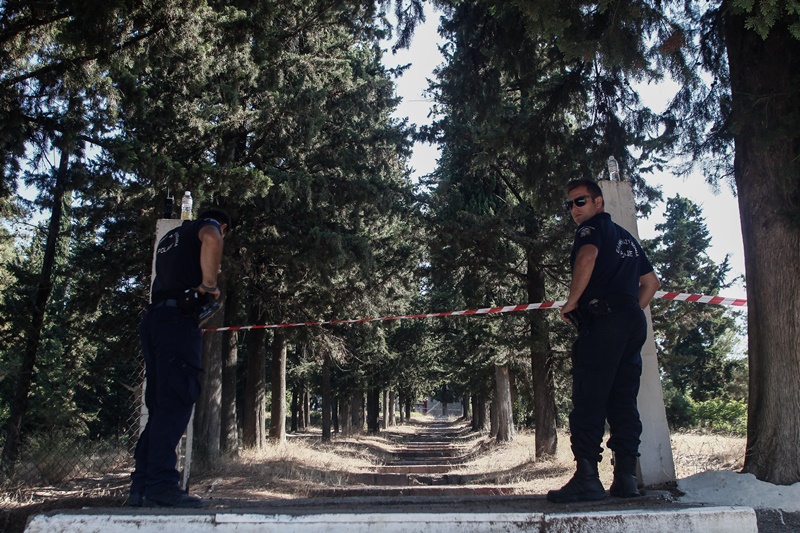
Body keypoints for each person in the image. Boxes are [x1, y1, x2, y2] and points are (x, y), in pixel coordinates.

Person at [547, 179, 660, 503]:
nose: (573, 210)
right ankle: (626, 480)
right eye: (569, 205)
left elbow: (587, 258)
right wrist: (626, 312)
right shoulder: (628, 240)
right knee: (623, 400)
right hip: (631, 322)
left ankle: (587, 479)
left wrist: (572, 301)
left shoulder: (590, 230)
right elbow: (651, 283)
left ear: (598, 202)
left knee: (589, 398)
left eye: (579, 202)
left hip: (603, 322)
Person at [128, 208, 230, 508]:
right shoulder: (207, 227)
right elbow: (211, 238)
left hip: (155, 320)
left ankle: (142, 486)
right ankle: (161, 486)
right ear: (223, 225)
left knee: (159, 406)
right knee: (176, 401)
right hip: (176, 323)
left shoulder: (171, 237)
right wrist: (209, 285)